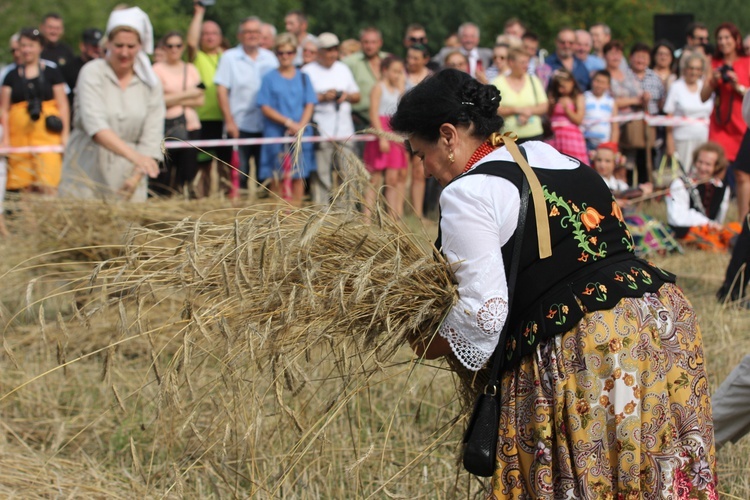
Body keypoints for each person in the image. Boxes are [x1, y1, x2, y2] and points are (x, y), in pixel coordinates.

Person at [391, 68, 716, 498]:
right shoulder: (549, 153)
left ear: (448, 136)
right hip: (661, 323)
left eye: (420, 153)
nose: (424, 168)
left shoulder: (467, 193)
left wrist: (424, 338)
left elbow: (485, 315)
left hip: (592, 345)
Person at [58, 8, 164, 202]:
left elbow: (152, 135)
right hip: (86, 168)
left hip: (129, 176)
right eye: (119, 45)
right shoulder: (92, 72)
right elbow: (95, 124)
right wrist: (137, 158)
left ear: (140, 46)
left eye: (131, 46)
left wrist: (135, 177)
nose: (124, 52)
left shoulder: (150, 83)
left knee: (126, 230)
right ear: (107, 44)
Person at [0, 27, 69, 195]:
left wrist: (65, 135)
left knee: (48, 186)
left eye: (31, 45)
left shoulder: (52, 72)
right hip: (20, 141)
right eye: (23, 46)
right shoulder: (11, 75)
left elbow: (63, 105)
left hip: (48, 139)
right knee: (24, 191)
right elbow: (4, 109)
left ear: (40, 47)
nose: (26, 50)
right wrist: (6, 139)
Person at [214, 16, 279, 189]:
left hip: (266, 125)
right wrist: (229, 120)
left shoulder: (271, 58)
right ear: (239, 35)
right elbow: (221, 90)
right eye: (248, 32)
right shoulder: (229, 57)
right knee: (238, 174)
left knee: (264, 176)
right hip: (239, 125)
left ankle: (265, 214)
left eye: (256, 32)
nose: (252, 35)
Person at [256, 33, 317, 207]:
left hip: (300, 135)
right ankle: (278, 217)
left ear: (294, 53)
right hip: (276, 133)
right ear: (276, 54)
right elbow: (265, 106)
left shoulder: (304, 77)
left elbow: (310, 103)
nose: (285, 56)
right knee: (277, 176)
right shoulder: (269, 78)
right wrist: (288, 123)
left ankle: (295, 218)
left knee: (299, 176)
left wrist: (300, 126)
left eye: (289, 52)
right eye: (281, 52)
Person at [301, 32, 360, 205]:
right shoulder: (307, 71)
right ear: (319, 52)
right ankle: (322, 213)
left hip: (345, 130)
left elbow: (357, 96)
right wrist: (322, 97)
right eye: (328, 50)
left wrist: (345, 96)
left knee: (347, 173)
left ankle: (345, 213)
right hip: (320, 130)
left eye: (335, 49)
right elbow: (303, 99)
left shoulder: (343, 68)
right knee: (321, 174)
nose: (332, 54)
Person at [701, 23, 750, 221]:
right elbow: (703, 97)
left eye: (727, 37)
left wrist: (736, 84)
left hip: (742, 123)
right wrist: (713, 80)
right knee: (716, 170)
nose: (723, 42)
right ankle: (712, 218)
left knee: (742, 174)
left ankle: (743, 221)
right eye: (719, 38)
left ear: (736, 39)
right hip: (719, 125)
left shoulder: (747, 62)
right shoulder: (713, 62)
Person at [186, 1, 230, 198]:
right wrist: (199, 13)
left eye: (213, 33)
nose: (210, 37)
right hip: (202, 118)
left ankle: (225, 200)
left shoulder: (228, 57)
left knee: (226, 164)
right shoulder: (196, 57)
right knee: (202, 164)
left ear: (220, 37)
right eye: (205, 33)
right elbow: (190, 43)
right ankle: (202, 200)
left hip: (226, 119)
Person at [152, 31, 204, 195]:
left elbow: (200, 99)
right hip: (166, 126)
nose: (174, 49)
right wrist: (188, 94)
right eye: (170, 46)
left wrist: (171, 98)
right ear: (164, 48)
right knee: (165, 173)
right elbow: (156, 101)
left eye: (178, 45)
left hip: (191, 125)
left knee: (188, 172)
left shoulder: (190, 69)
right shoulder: (157, 69)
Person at [666, 142, 737, 251]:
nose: (702, 167)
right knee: (711, 241)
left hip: (709, 229)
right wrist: (707, 223)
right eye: (700, 162)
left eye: (708, 164)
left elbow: (720, 218)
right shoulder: (680, 184)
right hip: (687, 230)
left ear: (716, 166)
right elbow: (677, 217)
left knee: (736, 229)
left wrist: (715, 227)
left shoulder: (722, 187)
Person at [362, 56, 407, 218]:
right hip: (381, 132)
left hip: (394, 134)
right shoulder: (378, 87)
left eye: (400, 72)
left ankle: (392, 216)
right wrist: (381, 137)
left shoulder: (398, 90)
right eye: (395, 71)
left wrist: (402, 89)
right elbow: (373, 113)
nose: (397, 75)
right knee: (374, 177)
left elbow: (402, 109)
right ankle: (366, 216)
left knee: (393, 178)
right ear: (385, 70)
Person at [664, 53, 713, 166]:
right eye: (691, 68)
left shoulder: (704, 87)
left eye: (697, 69)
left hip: (703, 138)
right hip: (682, 139)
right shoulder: (676, 87)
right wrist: (669, 142)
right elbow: (669, 115)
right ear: (685, 69)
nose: (694, 72)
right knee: (683, 175)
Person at [494, 46, 548, 142]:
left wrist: (528, 111)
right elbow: (495, 108)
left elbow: (544, 105)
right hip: (508, 137)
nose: (526, 65)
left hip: (534, 135)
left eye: (527, 62)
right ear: (511, 63)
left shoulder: (533, 80)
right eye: (522, 62)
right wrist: (516, 110)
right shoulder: (498, 82)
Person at [405, 43, 432, 219]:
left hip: (421, 129)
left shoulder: (431, 79)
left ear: (425, 59)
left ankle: (417, 213)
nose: (411, 61)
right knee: (398, 173)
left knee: (418, 171)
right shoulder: (401, 74)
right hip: (403, 128)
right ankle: (396, 212)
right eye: (409, 57)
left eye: (415, 58)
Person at [343, 27, 389, 130]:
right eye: (366, 42)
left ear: (380, 43)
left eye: (373, 42)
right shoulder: (349, 62)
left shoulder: (389, 60)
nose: (370, 46)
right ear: (361, 43)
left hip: (386, 119)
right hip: (360, 121)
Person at [546, 68, 588, 163]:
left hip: (571, 138)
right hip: (556, 137)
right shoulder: (555, 97)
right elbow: (549, 117)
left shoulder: (578, 97)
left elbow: (578, 120)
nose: (560, 90)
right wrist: (551, 106)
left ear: (571, 82)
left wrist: (567, 109)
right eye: (558, 87)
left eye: (563, 86)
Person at [60, 28, 103, 115]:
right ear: (83, 46)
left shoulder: (106, 68)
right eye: (94, 45)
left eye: (100, 45)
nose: (98, 49)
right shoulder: (68, 69)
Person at [582, 70, 619, 151]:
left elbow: (615, 127)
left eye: (603, 82)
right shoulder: (584, 97)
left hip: (604, 144)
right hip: (585, 143)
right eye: (597, 81)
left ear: (608, 85)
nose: (599, 85)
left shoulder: (611, 102)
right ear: (592, 81)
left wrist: (612, 146)